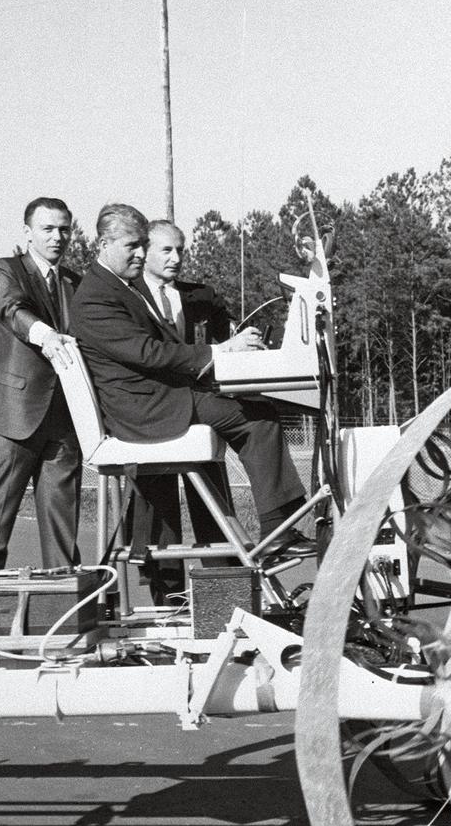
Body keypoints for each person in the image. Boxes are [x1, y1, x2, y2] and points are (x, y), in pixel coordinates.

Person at [69, 203, 311, 563]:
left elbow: (159, 350)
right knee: (259, 417)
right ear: (104, 244)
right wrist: (218, 352)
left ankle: (271, 532)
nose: (139, 253)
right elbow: (149, 353)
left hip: (154, 396)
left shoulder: (119, 287)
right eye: (132, 246)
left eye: (142, 245)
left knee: (254, 409)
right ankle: (278, 529)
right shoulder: (96, 296)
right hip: (145, 409)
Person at [0, 197, 82, 571]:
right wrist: (46, 335)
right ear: (28, 232)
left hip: (65, 421)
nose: (57, 237)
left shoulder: (75, 283)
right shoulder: (5, 269)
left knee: (62, 529)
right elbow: (11, 309)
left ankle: (66, 603)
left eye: (64, 229)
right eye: (48, 229)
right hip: (13, 417)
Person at [132, 220, 236, 599]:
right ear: (144, 252)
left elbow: (227, 343)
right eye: (166, 250)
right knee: (158, 510)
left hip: (200, 411)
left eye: (181, 250)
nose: (176, 258)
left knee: (213, 504)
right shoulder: (128, 296)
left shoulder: (202, 297)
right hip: (153, 415)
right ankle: (167, 597)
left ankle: (226, 591)